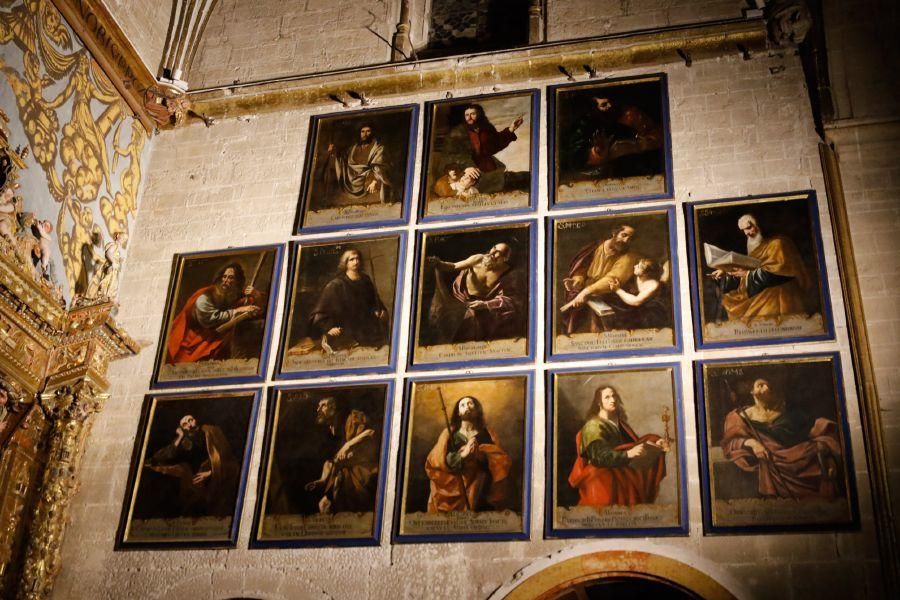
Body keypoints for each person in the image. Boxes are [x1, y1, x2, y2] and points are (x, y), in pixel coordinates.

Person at [721, 378, 843, 499]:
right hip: (771, 456)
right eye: (761, 385)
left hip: (797, 453)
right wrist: (753, 443)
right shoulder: (740, 416)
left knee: (820, 447)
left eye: (769, 386)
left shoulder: (788, 413)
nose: (766, 388)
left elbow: (813, 429)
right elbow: (732, 440)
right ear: (752, 391)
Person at [568, 385, 669, 507]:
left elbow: (634, 444)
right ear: (599, 402)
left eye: (614, 395)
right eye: (607, 397)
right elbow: (599, 457)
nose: (613, 400)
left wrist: (655, 442)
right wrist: (628, 454)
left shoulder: (620, 424)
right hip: (603, 479)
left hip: (623, 476)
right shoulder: (593, 426)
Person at [710, 214, 811, 322]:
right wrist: (726, 272)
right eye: (744, 230)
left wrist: (748, 275)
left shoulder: (778, 244)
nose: (747, 233)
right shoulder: (756, 247)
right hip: (760, 290)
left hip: (778, 295)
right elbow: (747, 269)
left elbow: (779, 273)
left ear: (759, 225)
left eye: (749, 228)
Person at [425, 242, 527, 344]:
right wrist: (439, 263)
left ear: (504, 259)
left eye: (498, 252)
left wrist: (485, 305)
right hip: (460, 298)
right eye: (493, 248)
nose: (492, 252)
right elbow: (453, 266)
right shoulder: (478, 259)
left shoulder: (508, 273)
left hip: (481, 305)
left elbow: (509, 299)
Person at [425, 395, 511, 512]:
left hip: (481, 488)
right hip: (454, 484)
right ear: (459, 413)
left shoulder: (487, 433)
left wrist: (481, 454)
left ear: (477, 410)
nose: (467, 407)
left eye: (470, 403)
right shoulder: (450, 434)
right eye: (463, 405)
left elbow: (500, 461)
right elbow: (436, 461)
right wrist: (462, 455)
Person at [165, 262, 264, 364]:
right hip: (196, 340)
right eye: (224, 277)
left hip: (217, 339)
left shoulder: (235, 294)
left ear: (237, 281)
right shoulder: (205, 296)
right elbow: (209, 319)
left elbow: (257, 309)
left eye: (231, 278)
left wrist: (256, 295)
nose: (226, 281)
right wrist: (237, 311)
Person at [145, 414, 240, 516]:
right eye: (185, 424)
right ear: (181, 428)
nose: (189, 425)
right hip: (193, 480)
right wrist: (180, 436)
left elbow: (229, 461)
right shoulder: (184, 439)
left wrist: (211, 473)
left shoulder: (211, 431)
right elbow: (169, 453)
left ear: (196, 419)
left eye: (190, 420)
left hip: (214, 476)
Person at [304, 396, 379, 514]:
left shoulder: (352, 418)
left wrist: (347, 446)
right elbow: (330, 462)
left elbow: (370, 432)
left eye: (323, 405)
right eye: (318, 406)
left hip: (363, 470)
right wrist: (322, 480)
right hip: (343, 473)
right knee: (323, 505)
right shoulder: (330, 431)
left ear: (333, 408)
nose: (318, 410)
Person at [306, 248, 389, 352]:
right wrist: (328, 328)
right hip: (345, 326)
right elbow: (319, 313)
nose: (356, 261)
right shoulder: (336, 285)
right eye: (351, 259)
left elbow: (374, 300)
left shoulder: (365, 279)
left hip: (365, 324)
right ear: (345, 263)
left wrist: (379, 310)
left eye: (357, 259)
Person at [560, 224, 639, 333]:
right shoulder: (594, 247)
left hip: (609, 295)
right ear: (614, 233)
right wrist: (578, 279)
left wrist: (586, 292)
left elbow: (612, 279)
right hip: (584, 293)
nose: (626, 241)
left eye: (630, 239)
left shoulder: (629, 257)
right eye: (624, 235)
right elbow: (582, 268)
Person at [563, 95, 663, 180]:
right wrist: (597, 153)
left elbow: (658, 136)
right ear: (594, 108)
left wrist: (637, 145)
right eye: (604, 105)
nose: (610, 106)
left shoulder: (630, 115)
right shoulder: (584, 125)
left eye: (611, 102)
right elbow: (576, 160)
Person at [441, 104, 524, 195]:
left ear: (479, 115)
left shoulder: (486, 129)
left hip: (489, 168)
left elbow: (496, 144)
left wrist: (511, 129)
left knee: (512, 181)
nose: (469, 117)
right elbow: (453, 154)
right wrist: (466, 167)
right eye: (466, 115)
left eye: (473, 114)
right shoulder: (457, 133)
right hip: (468, 169)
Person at [321, 123, 392, 204]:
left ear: (373, 133)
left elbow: (379, 166)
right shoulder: (353, 148)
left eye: (368, 131)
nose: (365, 134)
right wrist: (334, 151)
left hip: (370, 182)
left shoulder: (379, 148)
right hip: (352, 182)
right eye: (363, 131)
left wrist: (374, 181)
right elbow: (343, 160)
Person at [608, 257, 669, 329]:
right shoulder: (637, 277)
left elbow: (636, 301)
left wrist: (617, 290)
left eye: (639, 266)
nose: (634, 266)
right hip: (638, 306)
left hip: (650, 312)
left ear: (646, 273)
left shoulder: (653, 284)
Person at [85, 231, 127, 301]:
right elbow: (108, 253)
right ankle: (103, 294)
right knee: (107, 280)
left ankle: (109, 296)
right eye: (122, 238)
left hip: (114, 269)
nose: (123, 241)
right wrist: (113, 262)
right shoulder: (114, 246)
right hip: (110, 266)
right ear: (118, 236)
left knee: (113, 283)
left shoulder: (118, 248)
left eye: (124, 240)